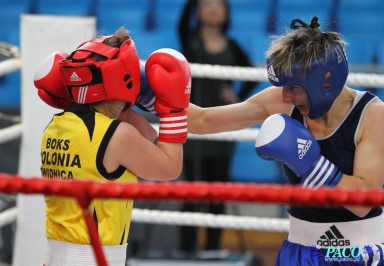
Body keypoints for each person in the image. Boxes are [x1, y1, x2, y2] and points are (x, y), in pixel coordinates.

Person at [186, 17, 384, 265]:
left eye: (293, 87)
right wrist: (153, 94)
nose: (285, 95)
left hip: (358, 252)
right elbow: (202, 121)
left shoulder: (373, 115)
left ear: (325, 81)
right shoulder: (280, 103)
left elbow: (363, 203)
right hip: (299, 249)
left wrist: (311, 164)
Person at [33, 26, 192, 266]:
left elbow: (146, 139)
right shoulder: (117, 135)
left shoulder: (55, 126)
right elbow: (169, 167)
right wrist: (173, 110)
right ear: (123, 79)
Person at [178, 0, 258, 253]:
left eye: (219, 5)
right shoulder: (189, 41)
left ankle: (213, 251)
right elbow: (181, 22)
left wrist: (237, 96)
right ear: (198, 10)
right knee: (192, 192)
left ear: (227, 13)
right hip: (192, 128)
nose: (213, 9)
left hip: (223, 127)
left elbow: (251, 75)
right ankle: (187, 252)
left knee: (217, 192)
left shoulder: (233, 46)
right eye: (207, 4)